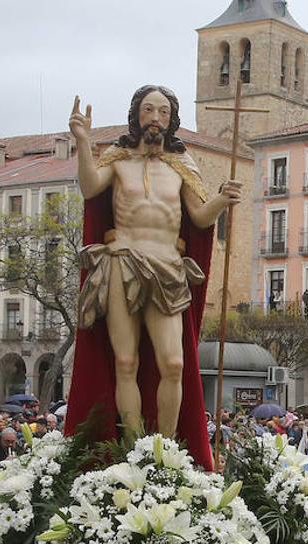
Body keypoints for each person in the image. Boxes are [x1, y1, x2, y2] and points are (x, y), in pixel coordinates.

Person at [62, 85, 241, 468]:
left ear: (172, 119)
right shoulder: (118, 160)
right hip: (122, 261)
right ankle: (132, 452)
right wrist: (82, 142)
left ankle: (164, 454)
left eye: (162, 111)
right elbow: (90, 187)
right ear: (137, 115)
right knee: (125, 362)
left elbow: (199, 217)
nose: (155, 117)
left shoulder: (182, 166)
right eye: (148, 110)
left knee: (173, 363)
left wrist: (222, 200)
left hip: (167, 267)